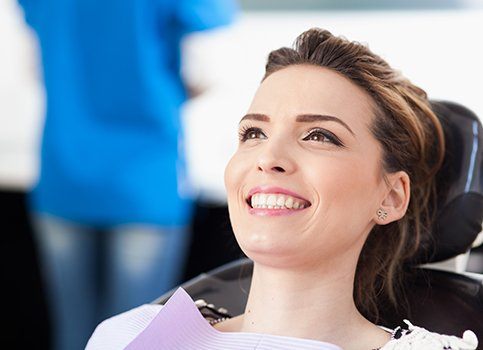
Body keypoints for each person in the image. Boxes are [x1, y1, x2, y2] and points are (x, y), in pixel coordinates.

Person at [85, 28, 479, 350]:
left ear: (391, 196)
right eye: (254, 132)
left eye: (319, 136)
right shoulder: (125, 335)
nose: (268, 156)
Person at [16, 0, 237, 349]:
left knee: (74, 333)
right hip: (146, 179)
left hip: (65, 172)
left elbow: (34, 70)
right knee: (137, 338)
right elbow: (204, 74)